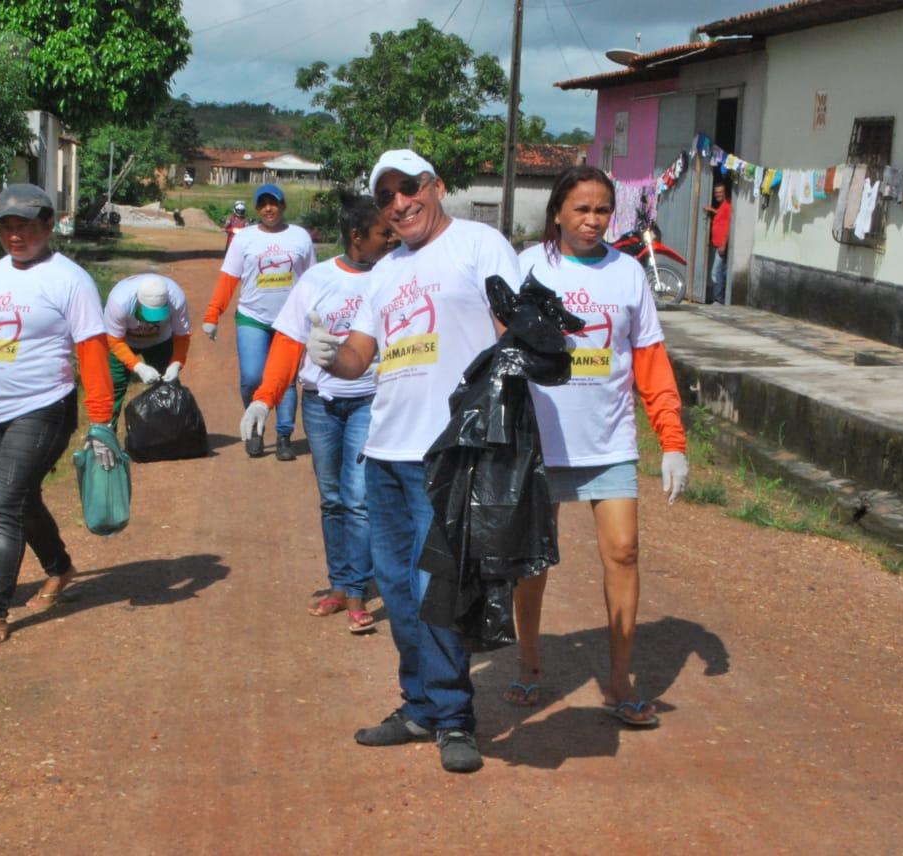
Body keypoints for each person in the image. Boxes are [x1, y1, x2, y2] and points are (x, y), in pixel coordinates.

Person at [306, 150, 526, 774]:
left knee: (437, 590)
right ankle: (419, 706)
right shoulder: (384, 271)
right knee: (398, 587)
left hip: (448, 451)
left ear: (437, 186)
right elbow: (359, 359)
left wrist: (493, 429)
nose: (399, 203)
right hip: (384, 451)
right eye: (386, 197)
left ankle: (454, 717)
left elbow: (513, 333)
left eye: (410, 188)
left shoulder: (480, 245)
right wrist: (327, 355)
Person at [507, 165, 689, 726]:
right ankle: (529, 665)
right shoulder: (526, 267)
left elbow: (650, 361)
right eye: (581, 209)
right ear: (558, 211)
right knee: (533, 562)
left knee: (624, 552)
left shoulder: (629, 274)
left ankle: (619, 682)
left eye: (602, 210)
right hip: (540, 441)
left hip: (608, 441)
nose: (592, 220)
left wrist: (673, 441)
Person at [0, 183, 118, 646]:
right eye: (7, 225)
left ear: (48, 225)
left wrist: (101, 420)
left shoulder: (70, 280)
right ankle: (60, 569)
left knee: (3, 505)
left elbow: (92, 351)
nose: (16, 235)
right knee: (20, 498)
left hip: (43, 407)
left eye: (25, 225)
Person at [239, 193, 396, 634]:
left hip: (369, 400)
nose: (391, 238)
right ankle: (341, 584)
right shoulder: (316, 280)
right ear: (356, 236)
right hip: (321, 405)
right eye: (383, 232)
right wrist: (264, 398)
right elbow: (289, 342)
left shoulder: (394, 277)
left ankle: (357, 594)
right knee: (332, 500)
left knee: (359, 498)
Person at [204, 183, 315, 461]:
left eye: (273, 203)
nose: (269, 209)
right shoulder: (245, 238)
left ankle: (284, 435)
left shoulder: (300, 237)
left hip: (289, 322)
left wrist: (316, 317)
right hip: (252, 317)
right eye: (263, 204)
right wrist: (212, 314)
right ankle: (255, 427)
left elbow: (313, 280)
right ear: (256, 208)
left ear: (283, 205)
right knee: (252, 377)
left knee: (287, 380)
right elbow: (229, 278)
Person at [103, 273, 192, 427]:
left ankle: (171, 433)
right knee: (113, 387)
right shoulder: (119, 302)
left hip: (160, 341)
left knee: (169, 387)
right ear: (138, 301)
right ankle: (106, 436)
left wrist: (176, 362)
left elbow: (182, 335)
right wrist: (138, 367)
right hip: (124, 342)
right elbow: (114, 340)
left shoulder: (176, 298)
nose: (154, 320)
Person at [704, 179, 731, 304]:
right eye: (716, 193)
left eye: (720, 192)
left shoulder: (728, 206)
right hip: (717, 244)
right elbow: (722, 218)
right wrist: (713, 211)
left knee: (715, 273)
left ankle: (718, 300)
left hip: (721, 246)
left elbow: (729, 226)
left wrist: (724, 244)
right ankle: (720, 299)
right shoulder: (722, 207)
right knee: (721, 273)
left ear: (725, 193)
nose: (717, 195)